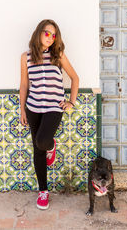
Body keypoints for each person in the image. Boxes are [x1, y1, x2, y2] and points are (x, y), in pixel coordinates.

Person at [20, 19, 79, 210]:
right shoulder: (26, 57)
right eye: (47, 33)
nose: (50, 38)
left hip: (54, 107)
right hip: (33, 107)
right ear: (38, 33)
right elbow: (24, 85)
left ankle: (51, 145)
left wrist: (71, 101)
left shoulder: (57, 55)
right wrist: (22, 108)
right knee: (37, 149)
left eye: (54, 35)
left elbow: (75, 77)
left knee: (42, 142)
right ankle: (43, 191)